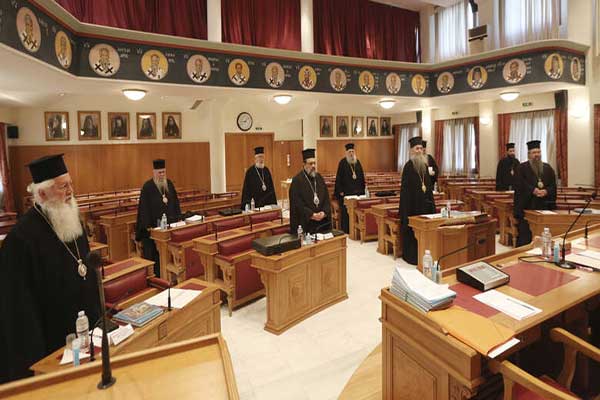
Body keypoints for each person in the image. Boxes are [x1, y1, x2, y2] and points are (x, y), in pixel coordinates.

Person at [0, 154, 100, 383]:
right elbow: (19, 310)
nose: (71, 191)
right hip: (51, 343)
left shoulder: (73, 221)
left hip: (86, 333)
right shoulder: (21, 240)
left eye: (71, 184)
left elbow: (85, 270)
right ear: (43, 194)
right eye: (63, 186)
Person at [135, 159, 181, 277]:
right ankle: (156, 276)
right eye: (159, 172)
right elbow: (144, 209)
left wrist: (178, 218)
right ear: (154, 173)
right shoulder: (147, 187)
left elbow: (175, 203)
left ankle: (170, 274)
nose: (162, 175)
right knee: (153, 254)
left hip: (169, 228)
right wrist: (148, 227)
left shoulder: (169, 184)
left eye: (163, 172)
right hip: (153, 230)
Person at [398, 137, 436, 265]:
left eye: (421, 148)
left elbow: (428, 187)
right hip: (413, 207)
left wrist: (432, 205)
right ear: (412, 150)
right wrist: (405, 212)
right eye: (417, 148)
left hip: (425, 206)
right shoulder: (408, 167)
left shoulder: (424, 166)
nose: (419, 151)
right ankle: (412, 257)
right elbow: (405, 192)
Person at [513, 140, 557, 246]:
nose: (537, 155)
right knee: (526, 236)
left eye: (538, 152)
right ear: (529, 154)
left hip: (544, 206)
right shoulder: (521, 168)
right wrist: (533, 190)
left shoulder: (548, 168)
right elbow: (519, 184)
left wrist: (546, 191)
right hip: (527, 206)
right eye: (534, 152)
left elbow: (553, 185)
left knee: (544, 233)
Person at [289, 149, 332, 234]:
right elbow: (297, 203)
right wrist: (311, 215)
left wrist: (324, 212)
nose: (313, 166)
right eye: (310, 163)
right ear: (304, 164)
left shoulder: (319, 178)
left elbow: (326, 199)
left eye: (314, 163)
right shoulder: (297, 181)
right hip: (306, 223)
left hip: (322, 222)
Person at [334, 143, 366, 233]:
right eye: (349, 152)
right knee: (346, 212)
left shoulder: (357, 162)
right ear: (346, 153)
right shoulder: (342, 163)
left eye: (352, 151)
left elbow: (362, 177)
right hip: (346, 193)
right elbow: (338, 178)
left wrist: (363, 190)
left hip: (357, 193)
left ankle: (358, 229)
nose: (351, 153)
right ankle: (347, 229)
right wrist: (340, 191)